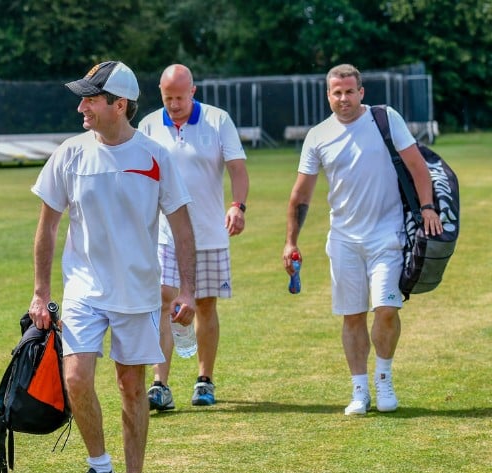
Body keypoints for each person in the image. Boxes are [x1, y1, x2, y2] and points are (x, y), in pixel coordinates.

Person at [29, 60, 196, 473]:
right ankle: (100, 468)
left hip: (138, 293)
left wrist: (187, 288)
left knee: (131, 386)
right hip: (83, 289)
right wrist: (41, 292)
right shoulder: (69, 153)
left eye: (90, 99)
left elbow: (182, 226)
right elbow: (47, 228)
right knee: (77, 378)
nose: (81, 106)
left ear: (118, 105)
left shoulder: (154, 155)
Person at [283, 64, 442, 416]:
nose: (343, 99)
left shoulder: (385, 119)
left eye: (349, 91)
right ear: (328, 95)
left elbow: (417, 166)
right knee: (351, 316)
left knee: (386, 309)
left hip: (387, 235)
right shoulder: (318, 136)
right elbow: (301, 195)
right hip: (343, 239)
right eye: (336, 93)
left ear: (361, 92)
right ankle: (359, 390)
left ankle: (383, 378)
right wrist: (291, 241)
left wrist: (429, 207)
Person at [138, 64, 249, 409]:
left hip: (209, 232)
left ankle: (204, 380)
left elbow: (238, 169)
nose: (173, 104)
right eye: (168, 97)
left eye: (180, 97)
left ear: (193, 91)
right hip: (165, 234)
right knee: (166, 302)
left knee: (204, 305)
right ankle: (160, 384)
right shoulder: (149, 125)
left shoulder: (218, 120)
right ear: (161, 93)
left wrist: (237, 206)